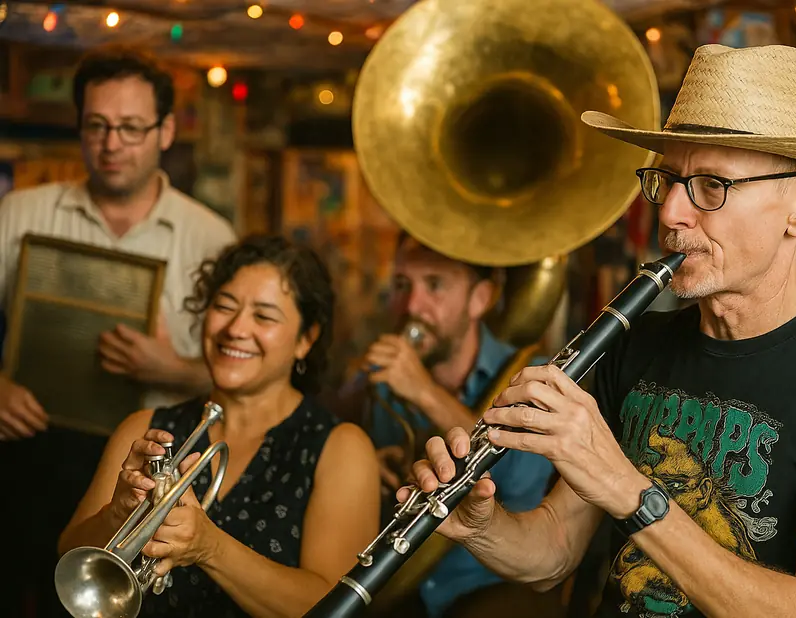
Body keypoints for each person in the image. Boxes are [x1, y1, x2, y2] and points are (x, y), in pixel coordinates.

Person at [405, 44, 796, 618]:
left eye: (711, 186)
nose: (672, 212)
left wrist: (626, 486)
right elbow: (551, 551)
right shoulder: (633, 345)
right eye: (668, 180)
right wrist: (480, 525)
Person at [0, 43, 236, 617]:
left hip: (146, 470)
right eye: (98, 126)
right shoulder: (18, 214)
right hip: (24, 452)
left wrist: (172, 369)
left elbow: (246, 373)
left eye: (131, 128)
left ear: (165, 130)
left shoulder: (211, 237)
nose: (112, 144)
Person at [59, 234, 381, 617]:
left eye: (263, 316)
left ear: (305, 340)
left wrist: (210, 547)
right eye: (224, 307)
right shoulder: (144, 428)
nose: (235, 329)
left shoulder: (340, 447)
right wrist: (115, 514)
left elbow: (337, 607)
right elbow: (72, 559)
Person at [334, 232, 556, 618]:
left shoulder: (532, 374)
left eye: (434, 285)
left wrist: (424, 392)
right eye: (402, 285)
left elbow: (521, 480)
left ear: (480, 299)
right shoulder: (385, 381)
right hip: (403, 587)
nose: (412, 306)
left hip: (491, 585)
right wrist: (369, 466)